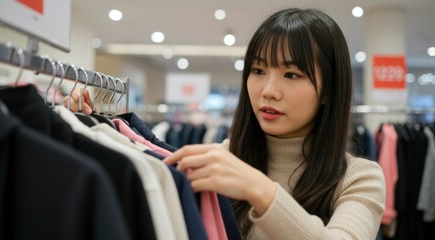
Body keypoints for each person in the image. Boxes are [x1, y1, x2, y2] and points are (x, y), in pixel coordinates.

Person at [64, 8, 386, 240]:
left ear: (328, 89)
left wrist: (260, 190)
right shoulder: (222, 157)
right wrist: (92, 130)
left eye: (291, 75)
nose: (268, 91)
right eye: (258, 71)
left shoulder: (359, 178)